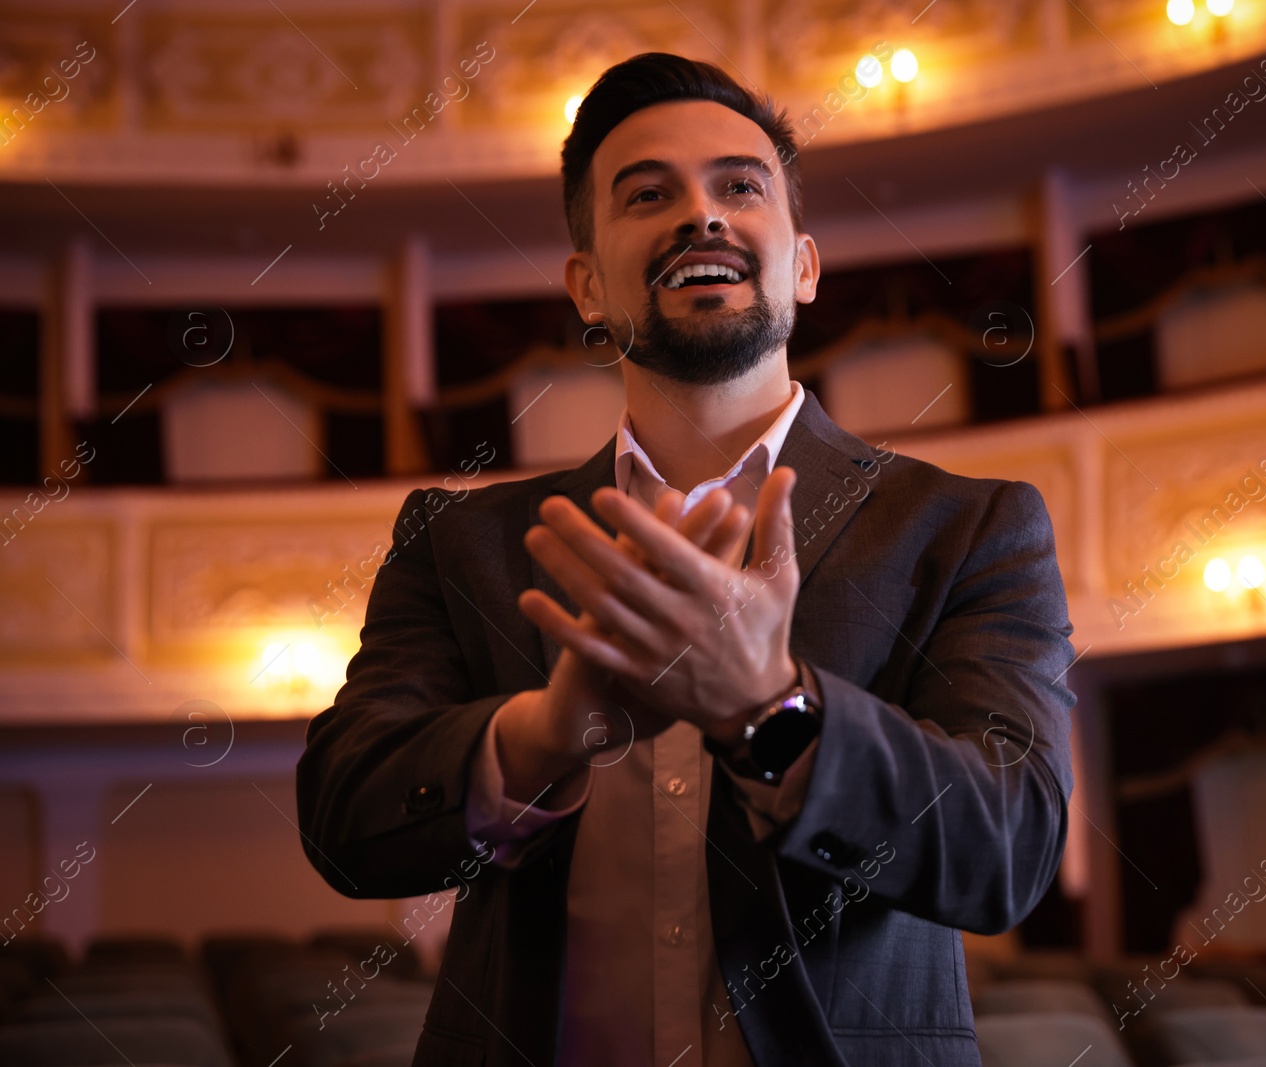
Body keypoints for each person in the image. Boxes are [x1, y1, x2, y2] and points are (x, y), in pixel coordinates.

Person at [296, 51, 1077, 1067]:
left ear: (800, 262)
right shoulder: (456, 542)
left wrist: (773, 711)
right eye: (647, 194)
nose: (700, 216)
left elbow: (1007, 850)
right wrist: (539, 736)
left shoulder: (967, 528)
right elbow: (344, 817)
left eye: (738, 186)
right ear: (586, 286)